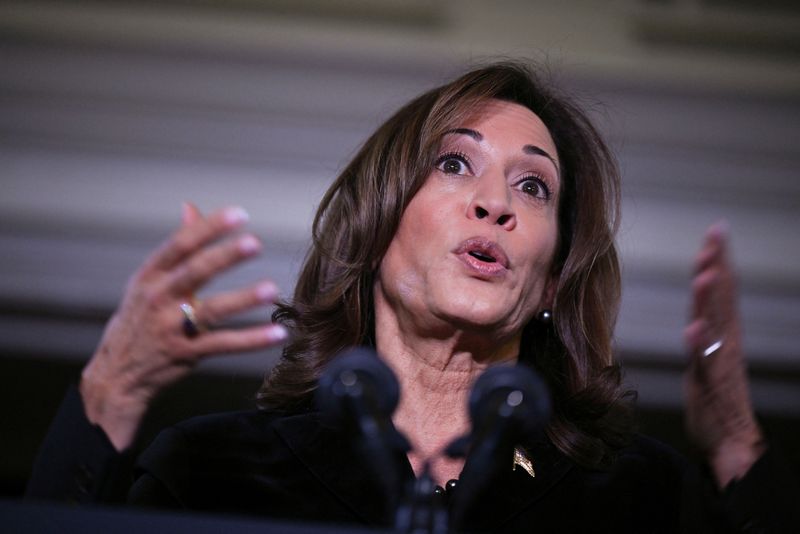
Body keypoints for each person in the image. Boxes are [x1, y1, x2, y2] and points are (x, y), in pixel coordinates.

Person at [26, 62, 797, 532]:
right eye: (454, 165)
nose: (496, 203)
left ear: (552, 280)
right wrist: (113, 388)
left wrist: (735, 447)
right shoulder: (213, 473)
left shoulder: (641, 498)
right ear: (376, 226)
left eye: (533, 186)